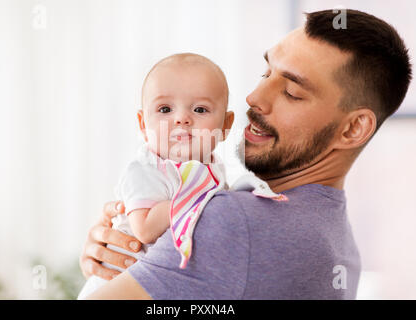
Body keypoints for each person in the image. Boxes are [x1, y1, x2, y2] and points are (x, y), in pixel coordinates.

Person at [79, 9, 412, 299]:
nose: (254, 97)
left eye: (292, 92)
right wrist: (128, 263)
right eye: (266, 73)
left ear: (353, 128)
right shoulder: (342, 245)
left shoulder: (229, 219)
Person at [78, 53, 279, 298]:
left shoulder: (212, 167)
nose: (182, 118)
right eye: (165, 109)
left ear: (225, 126)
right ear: (143, 124)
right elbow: (144, 229)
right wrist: (198, 202)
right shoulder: (146, 170)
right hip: (115, 281)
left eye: (200, 109)